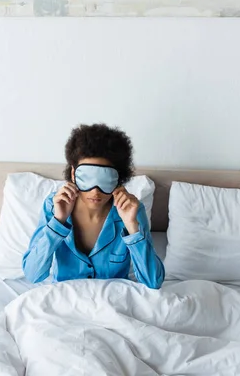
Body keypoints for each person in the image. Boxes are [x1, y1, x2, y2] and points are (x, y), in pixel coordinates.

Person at [22, 123, 164, 289]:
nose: (96, 191)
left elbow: (153, 282)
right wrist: (58, 221)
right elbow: (33, 274)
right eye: (88, 178)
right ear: (74, 174)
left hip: (112, 304)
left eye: (104, 179)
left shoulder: (131, 211)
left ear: (119, 178)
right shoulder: (54, 206)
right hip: (65, 302)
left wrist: (132, 227)